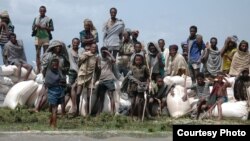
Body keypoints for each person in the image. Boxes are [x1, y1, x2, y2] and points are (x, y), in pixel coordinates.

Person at [75, 43, 99, 115]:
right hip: (83, 74)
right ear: (90, 48)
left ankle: (87, 112)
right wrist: (85, 58)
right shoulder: (85, 54)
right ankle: (77, 110)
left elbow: (98, 69)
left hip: (91, 75)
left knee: (89, 96)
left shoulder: (97, 57)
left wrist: (97, 63)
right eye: (92, 47)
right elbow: (79, 63)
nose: (93, 49)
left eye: (95, 47)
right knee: (78, 93)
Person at [126, 54, 150, 120]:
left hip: (141, 87)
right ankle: (131, 116)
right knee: (133, 102)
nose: (138, 61)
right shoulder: (132, 67)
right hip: (133, 86)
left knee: (140, 102)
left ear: (142, 60)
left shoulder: (144, 67)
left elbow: (148, 76)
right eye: (136, 60)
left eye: (139, 60)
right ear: (134, 60)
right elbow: (129, 76)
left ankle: (139, 117)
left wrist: (147, 84)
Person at [94, 47, 117, 115]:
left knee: (111, 96)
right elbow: (96, 68)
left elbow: (114, 60)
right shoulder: (99, 59)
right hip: (101, 80)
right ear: (100, 52)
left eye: (105, 52)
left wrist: (109, 53)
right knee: (101, 97)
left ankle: (112, 112)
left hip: (109, 79)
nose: (104, 53)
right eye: (102, 52)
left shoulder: (109, 59)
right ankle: (99, 111)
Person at [44, 57, 65, 128]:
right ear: (51, 65)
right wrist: (57, 83)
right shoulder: (49, 73)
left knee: (55, 109)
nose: (55, 66)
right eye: (54, 65)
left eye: (56, 65)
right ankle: (54, 125)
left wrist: (62, 83)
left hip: (60, 91)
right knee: (54, 109)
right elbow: (47, 83)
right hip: (52, 92)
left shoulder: (59, 71)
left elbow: (63, 80)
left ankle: (52, 123)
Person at [32, 6, 54, 74]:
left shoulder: (49, 19)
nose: (42, 12)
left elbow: (52, 29)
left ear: (45, 11)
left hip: (45, 37)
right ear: (39, 11)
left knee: (45, 54)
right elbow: (32, 28)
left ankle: (44, 69)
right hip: (37, 37)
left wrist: (45, 27)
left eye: (43, 11)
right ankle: (38, 69)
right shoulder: (36, 18)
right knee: (37, 54)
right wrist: (36, 26)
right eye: (41, 11)